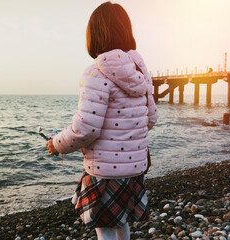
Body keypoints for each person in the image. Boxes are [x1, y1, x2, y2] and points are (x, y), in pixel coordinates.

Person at [46, 2, 158, 239]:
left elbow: (85, 129)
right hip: (134, 169)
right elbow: (151, 119)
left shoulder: (95, 73)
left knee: (105, 227)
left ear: (94, 35)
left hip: (104, 171)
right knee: (122, 221)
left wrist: (56, 144)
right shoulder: (140, 71)